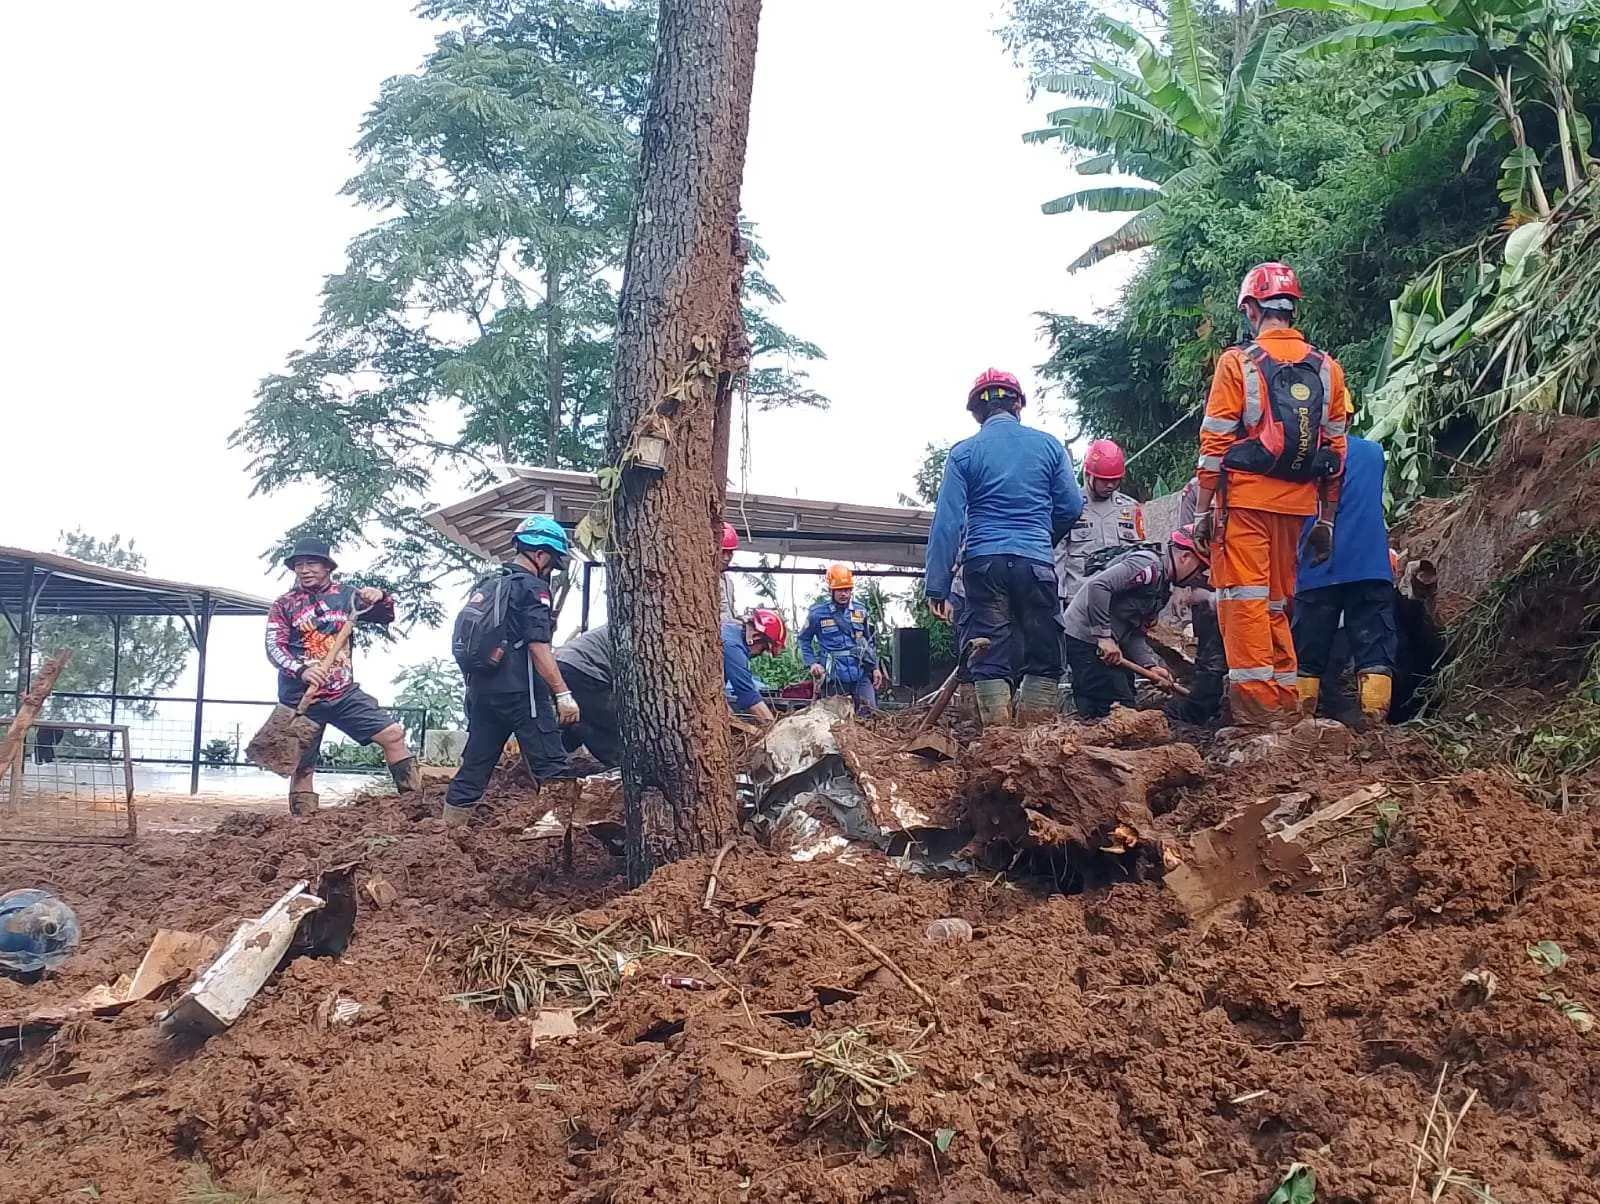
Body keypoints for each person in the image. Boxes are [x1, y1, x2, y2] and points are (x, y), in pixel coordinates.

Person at [1189, 262, 1350, 725]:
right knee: (1278, 601)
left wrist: (1202, 510)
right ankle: (1285, 700)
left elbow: (1216, 441)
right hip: (1298, 504)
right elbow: (1335, 451)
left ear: (1252, 309)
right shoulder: (1327, 368)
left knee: (1244, 601)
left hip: (1243, 502)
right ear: (1292, 308)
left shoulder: (1237, 363)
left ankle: (1258, 713)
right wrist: (1326, 519)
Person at [925, 368, 1084, 726]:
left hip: (984, 565)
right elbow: (1072, 506)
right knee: (1044, 650)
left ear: (977, 412)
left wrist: (937, 585)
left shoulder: (964, 454)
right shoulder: (1048, 446)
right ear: (1018, 404)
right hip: (1034, 561)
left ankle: (999, 742)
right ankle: (1034, 740)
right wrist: (1042, 538)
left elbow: (948, 522)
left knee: (989, 650)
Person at [442, 516, 578, 827]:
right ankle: (563, 842)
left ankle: (447, 834)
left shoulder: (489, 583)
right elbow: (537, 645)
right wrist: (562, 692)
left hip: (482, 692)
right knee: (553, 767)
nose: (551, 570)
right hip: (522, 693)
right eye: (553, 563)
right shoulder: (531, 589)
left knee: (474, 767)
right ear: (540, 554)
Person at [265, 537, 415, 815]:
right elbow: (274, 647)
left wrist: (380, 596)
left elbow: (385, 615)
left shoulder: (347, 596)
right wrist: (302, 669)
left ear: (327, 567)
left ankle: (414, 807)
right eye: (299, 565)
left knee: (392, 734)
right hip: (300, 699)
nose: (305, 570)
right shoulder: (283, 605)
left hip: (342, 693)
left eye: (311, 564)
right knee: (302, 767)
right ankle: (303, 827)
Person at [1292, 435, 1398, 723]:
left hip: (1316, 568)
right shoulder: (1374, 452)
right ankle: (1375, 727)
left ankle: (1299, 724)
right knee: (1374, 651)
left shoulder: (1301, 453)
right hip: (1370, 567)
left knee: (1307, 655)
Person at [1061, 527, 1212, 719]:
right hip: (1084, 639)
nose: (1198, 576)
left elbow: (1135, 633)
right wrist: (1104, 637)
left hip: (1110, 646)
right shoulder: (1146, 566)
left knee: (1112, 704)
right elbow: (1097, 587)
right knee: (1119, 708)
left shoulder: (1162, 590)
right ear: (1184, 557)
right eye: (1200, 568)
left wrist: (1149, 666)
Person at [1164, 476, 1228, 725]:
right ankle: (1204, 703)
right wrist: (1192, 589)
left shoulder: (1254, 483)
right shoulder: (1196, 488)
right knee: (1210, 642)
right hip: (1207, 572)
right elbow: (1189, 540)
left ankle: (1209, 704)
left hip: (1246, 570)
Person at [1055, 439, 1145, 605]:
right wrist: (1056, 601)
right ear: (1089, 475)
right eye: (1104, 480)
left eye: (1115, 480)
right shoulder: (1071, 506)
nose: (1110, 485)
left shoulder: (1130, 508)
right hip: (1079, 601)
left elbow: (1141, 556)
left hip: (1120, 601)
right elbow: (1058, 558)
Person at [799, 565, 884, 714]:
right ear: (830, 590)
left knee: (870, 713)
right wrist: (812, 663)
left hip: (859, 672)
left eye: (847, 589)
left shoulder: (861, 611)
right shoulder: (817, 613)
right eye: (839, 590)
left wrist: (875, 668)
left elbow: (868, 641)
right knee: (835, 719)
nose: (844, 594)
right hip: (834, 676)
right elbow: (804, 639)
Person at [554, 623, 623, 769]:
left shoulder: (620, 625)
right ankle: (620, 764)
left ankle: (553, 756)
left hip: (564, 664)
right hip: (580, 668)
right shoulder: (640, 632)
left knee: (586, 715)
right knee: (618, 720)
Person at [723, 609, 786, 726]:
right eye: (763, 648)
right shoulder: (732, 647)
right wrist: (773, 728)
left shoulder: (731, 632)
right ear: (756, 636)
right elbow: (748, 696)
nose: (760, 654)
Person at [720, 522, 741, 623]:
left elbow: (728, 614)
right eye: (723, 552)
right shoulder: (702, 580)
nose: (727, 558)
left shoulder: (728, 582)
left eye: (730, 552)